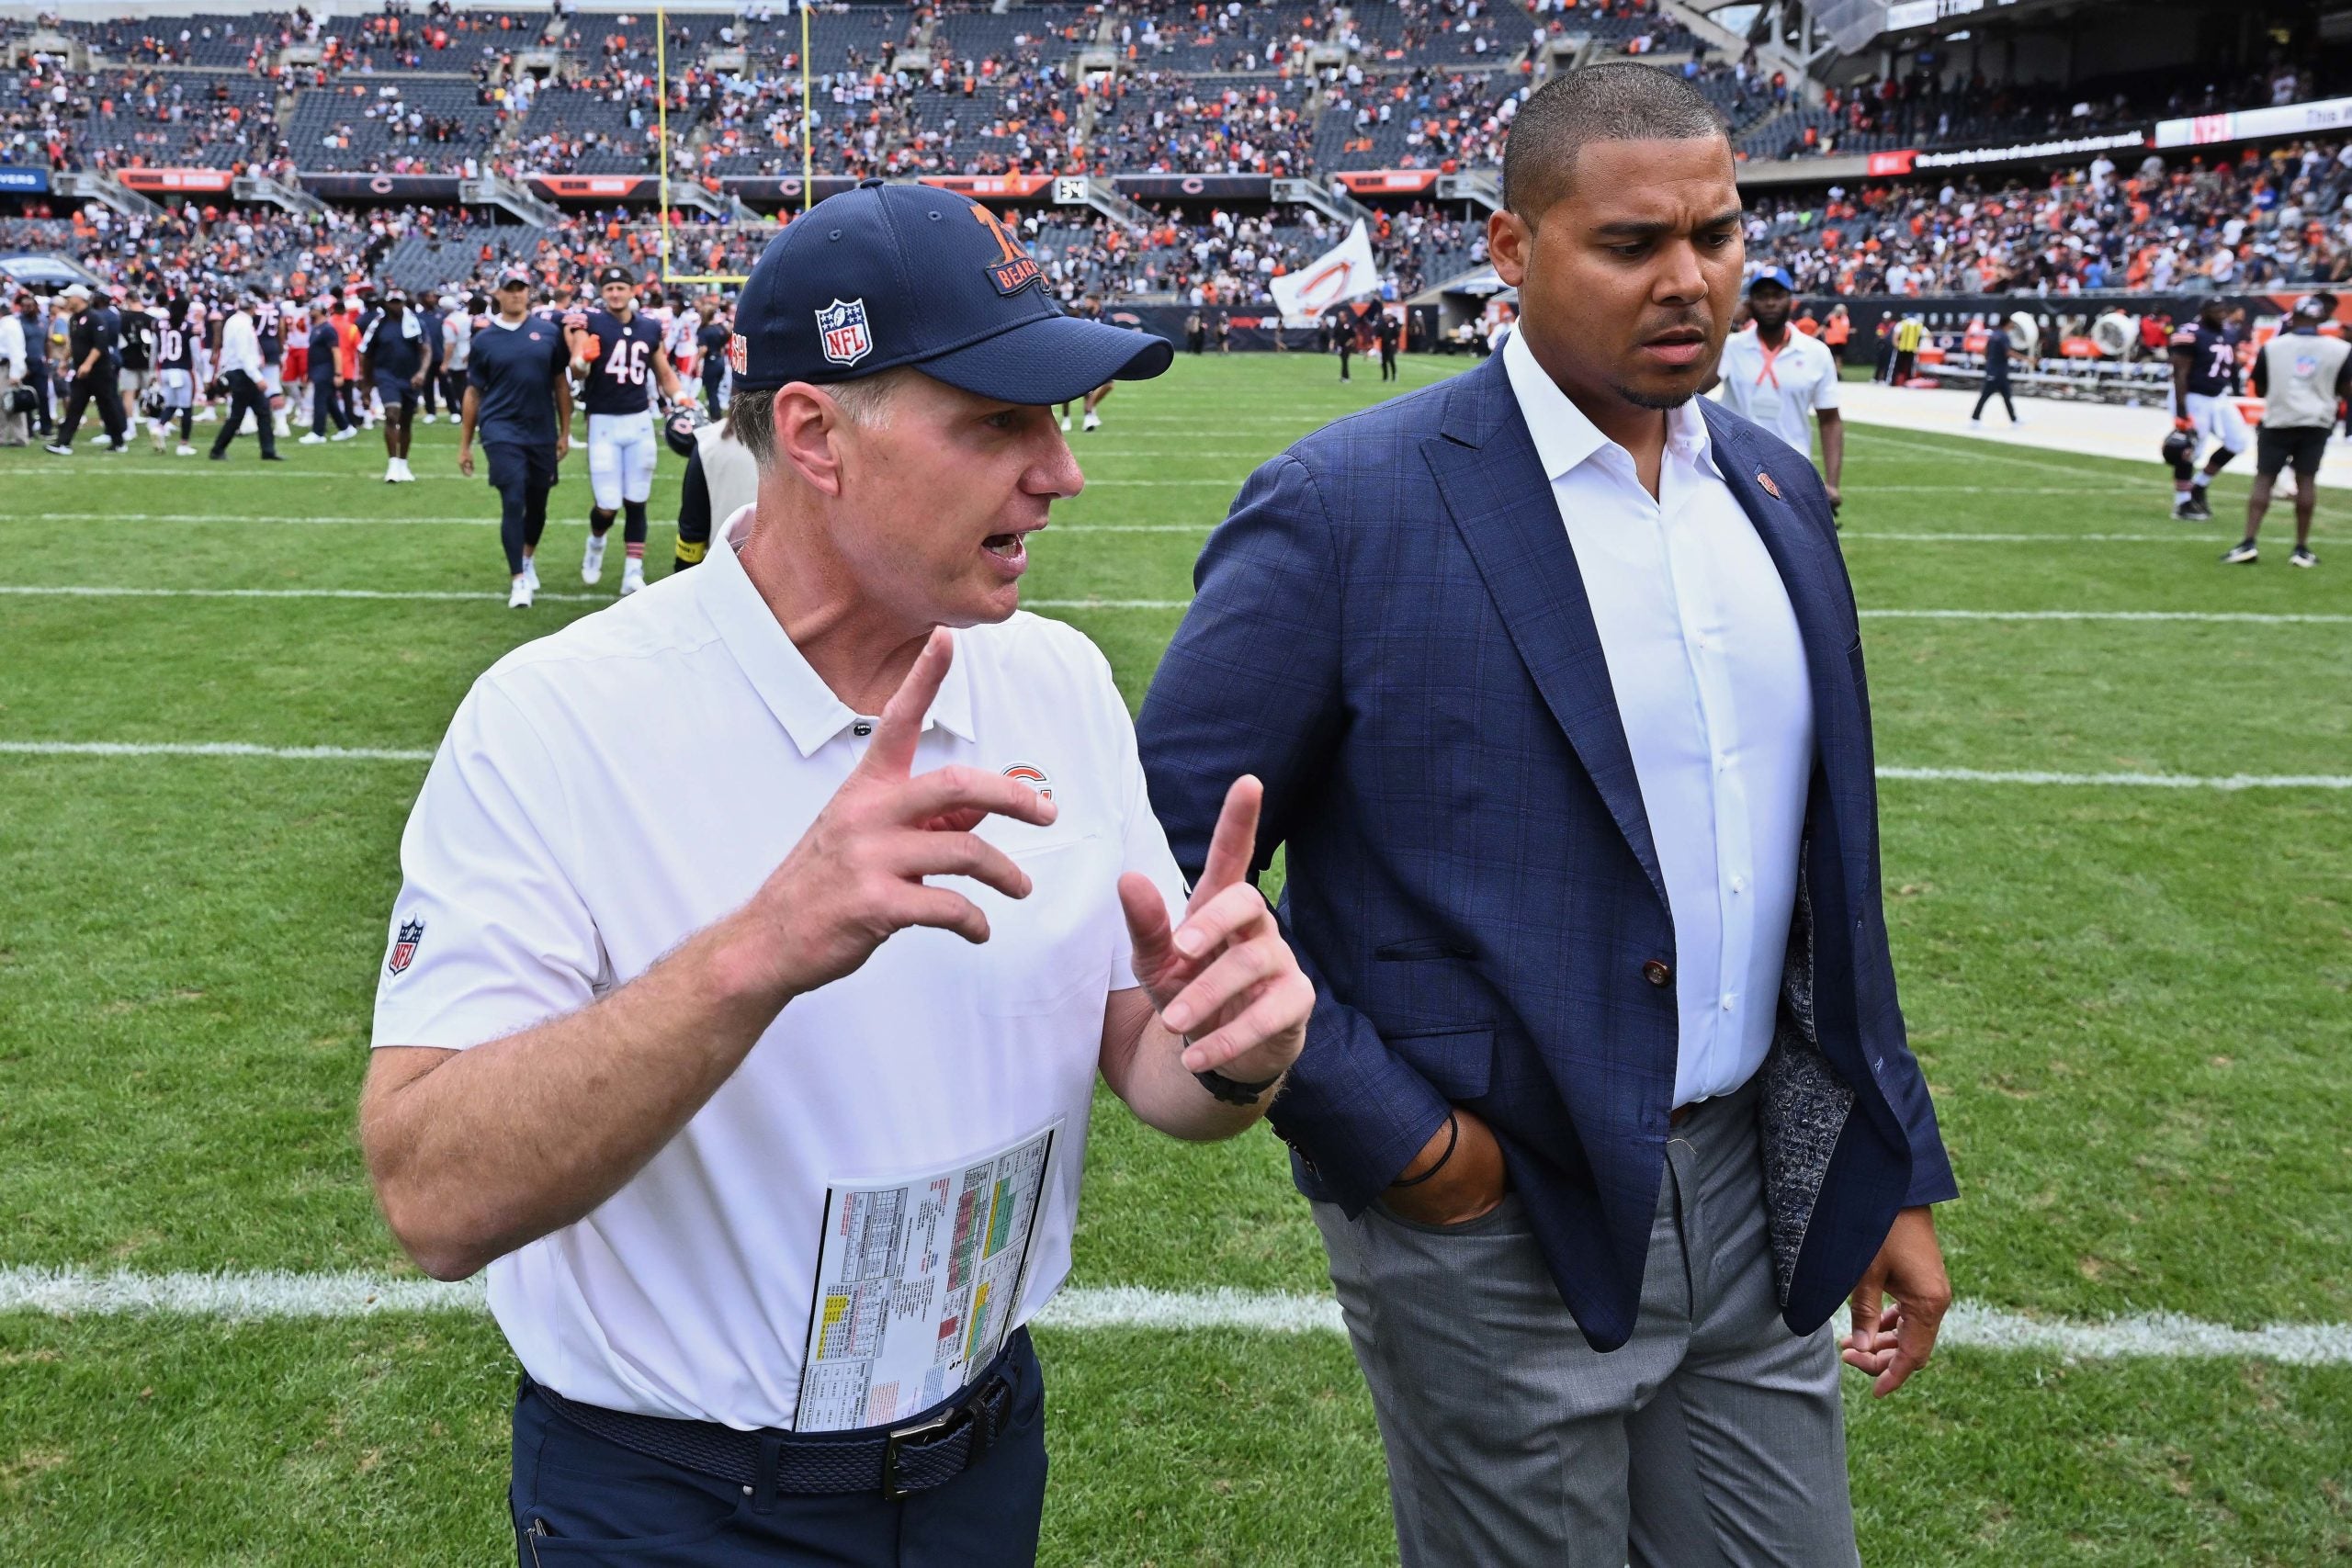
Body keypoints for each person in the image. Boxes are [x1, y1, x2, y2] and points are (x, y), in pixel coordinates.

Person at [356, 181, 1295, 1566]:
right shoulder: (557, 716)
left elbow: (1153, 1061)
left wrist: (1233, 1046)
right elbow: (432, 1193)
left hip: (982, 1455)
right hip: (677, 1501)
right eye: (998, 422)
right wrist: (765, 944)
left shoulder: (1059, 680)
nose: (1061, 468)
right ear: (812, 433)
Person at [1136, 64, 1954, 1568]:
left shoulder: (1771, 490)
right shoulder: (1344, 505)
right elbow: (1171, 859)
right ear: (1510, 252)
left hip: (1748, 1186)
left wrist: (1886, 1154)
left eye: (1716, 235)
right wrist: (1411, 1147)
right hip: (1492, 1208)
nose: (1690, 279)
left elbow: (1825, 876)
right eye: (1632, 243)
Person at [565, 265, 687, 595]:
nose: (615, 294)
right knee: (607, 504)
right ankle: (596, 542)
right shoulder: (589, 322)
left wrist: (680, 397)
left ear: (633, 290)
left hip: (638, 420)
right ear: (602, 292)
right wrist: (583, 362)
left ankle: (633, 571)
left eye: (621, 288)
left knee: (637, 498)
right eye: (609, 289)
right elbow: (577, 369)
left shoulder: (649, 327)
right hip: (603, 421)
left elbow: (664, 373)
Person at [458, 267, 572, 608]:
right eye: (509, 289)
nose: (515, 294)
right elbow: (473, 392)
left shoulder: (548, 333)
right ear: (498, 294)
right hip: (500, 429)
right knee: (513, 497)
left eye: (521, 288)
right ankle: (518, 579)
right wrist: (465, 444)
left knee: (538, 503)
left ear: (529, 292)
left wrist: (565, 431)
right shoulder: (484, 339)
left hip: (540, 429)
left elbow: (560, 384)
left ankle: (527, 558)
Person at [2226, 292, 2348, 568]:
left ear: (2294, 317)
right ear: (2321, 318)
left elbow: (2260, 386)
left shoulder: (2275, 346)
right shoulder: (2339, 349)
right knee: (2306, 481)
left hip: (2279, 419)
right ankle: (2301, 548)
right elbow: (2345, 389)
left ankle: (2248, 542)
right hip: (2316, 421)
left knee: (2264, 479)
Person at [1713, 265, 1845, 513]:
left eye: (1777, 296)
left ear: (1791, 301)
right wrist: (1729, 323)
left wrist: (1832, 484)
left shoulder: (1816, 352)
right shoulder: (1732, 346)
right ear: (1749, 303)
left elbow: (1830, 420)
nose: (1770, 303)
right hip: (1735, 468)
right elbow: (1701, 385)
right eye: (1762, 297)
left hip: (1792, 471)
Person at [2170, 298, 2248, 520]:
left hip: (2218, 396)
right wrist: (2182, 411)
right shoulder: (2189, 332)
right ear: (2203, 311)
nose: (2221, 313)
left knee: (2238, 442)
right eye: (2215, 310)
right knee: (2191, 449)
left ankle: (2199, 486)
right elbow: (2180, 373)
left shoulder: (2227, 332)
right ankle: (2182, 504)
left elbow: (2229, 366)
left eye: (2223, 309)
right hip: (2194, 396)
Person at [673, 397, 761, 574]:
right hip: (801, 588)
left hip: (725, 580)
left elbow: (692, 534)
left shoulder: (708, 445)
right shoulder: (817, 446)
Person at [46, 284, 129, 457]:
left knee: (107, 406)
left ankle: (118, 441)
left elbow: (100, 345)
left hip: (100, 372)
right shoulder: (74, 319)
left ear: (79, 298)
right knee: (75, 406)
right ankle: (63, 442)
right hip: (81, 371)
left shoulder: (95, 318)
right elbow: (73, 343)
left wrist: (88, 364)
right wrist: (64, 360)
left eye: (69, 297)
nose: (67, 300)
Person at [358, 289, 431, 483]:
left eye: (399, 302)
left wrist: (421, 372)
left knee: (406, 421)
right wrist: (366, 383)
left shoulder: (415, 324)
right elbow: (367, 354)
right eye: (393, 302)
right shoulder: (378, 326)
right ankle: (392, 463)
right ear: (386, 304)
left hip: (410, 377)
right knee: (391, 414)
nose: (396, 306)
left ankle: (403, 463)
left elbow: (426, 349)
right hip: (387, 375)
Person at [208, 292, 283, 463]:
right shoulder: (242, 324)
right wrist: (257, 377)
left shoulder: (235, 321)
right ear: (253, 308)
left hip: (240, 372)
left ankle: (268, 450)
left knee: (261, 411)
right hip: (243, 373)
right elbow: (244, 355)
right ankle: (218, 449)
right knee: (240, 414)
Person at [300, 295, 356, 445]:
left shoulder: (327, 329)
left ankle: (318, 432)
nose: (311, 310)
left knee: (319, 400)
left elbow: (336, 352)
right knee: (330, 401)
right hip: (318, 368)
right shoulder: (317, 328)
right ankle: (345, 427)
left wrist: (338, 373)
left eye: (314, 308)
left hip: (325, 369)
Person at [148, 296, 199, 456]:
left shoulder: (159, 325)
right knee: (186, 408)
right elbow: (196, 354)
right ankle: (183, 444)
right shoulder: (189, 327)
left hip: (164, 370)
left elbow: (154, 350)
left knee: (171, 404)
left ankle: (159, 426)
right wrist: (202, 374)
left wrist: (152, 371)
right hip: (183, 370)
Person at [436, 289, 473, 428]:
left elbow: (450, 344)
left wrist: (445, 363)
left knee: (460, 389)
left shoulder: (449, 322)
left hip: (458, 356)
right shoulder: (465, 317)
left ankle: (467, 415)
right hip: (468, 352)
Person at [1971, 319, 2019, 424]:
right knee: (1986, 395)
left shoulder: (1994, 335)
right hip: (1998, 372)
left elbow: (1984, 351)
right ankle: (1975, 418)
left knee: (2006, 396)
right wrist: (2025, 358)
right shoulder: (2004, 336)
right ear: (2006, 324)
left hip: (1996, 371)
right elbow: (2008, 352)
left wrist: (1989, 362)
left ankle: (2014, 419)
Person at [17, 291, 52, 438]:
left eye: (30, 305)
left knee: (43, 396)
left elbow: (47, 341)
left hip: (39, 362)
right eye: (24, 306)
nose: (27, 308)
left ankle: (46, 428)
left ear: (36, 306)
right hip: (25, 363)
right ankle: (28, 429)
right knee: (25, 397)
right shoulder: (18, 322)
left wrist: (48, 358)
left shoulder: (43, 321)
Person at [695, 296, 731, 416]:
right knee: (715, 390)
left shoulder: (704, 330)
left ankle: (716, 417)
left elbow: (703, 349)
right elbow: (727, 336)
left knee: (712, 392)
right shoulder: (719, 327)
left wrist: (697, 361)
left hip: (711, 362)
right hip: (720, 361)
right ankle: (717, 414)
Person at [0, 294, 27, 447]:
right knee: (8, 403)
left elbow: (15, 350)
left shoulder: (9, 325)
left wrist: (15, 373)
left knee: (10, 403)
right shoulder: (6, 324)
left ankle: (18, 437)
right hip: (5, 367)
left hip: (7, 368)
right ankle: (14, 436)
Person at [1891, 311, 1924, 383]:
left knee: (1897, 366)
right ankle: (1909, 382)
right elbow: (1928, 335)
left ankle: (1893, 382)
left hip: (1901, 348)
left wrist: (1896, 345)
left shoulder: (1901, 324)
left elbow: (1895, 336)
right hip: (1912, 349)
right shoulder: (1918, 325)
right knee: (1910, 367)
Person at [1376, 309, 1400, 381]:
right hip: (1384, 344)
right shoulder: (1382, 324)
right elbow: (1378, 333)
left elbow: (1397, 334)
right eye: (1386, 315)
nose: (1387, 317)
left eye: (1388, 315)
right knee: (1383, 361)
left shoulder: (1394, 323)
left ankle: (1394, 375)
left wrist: (1394, 340)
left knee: (1391, 360)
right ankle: (1385, 377)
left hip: (1391, 345)